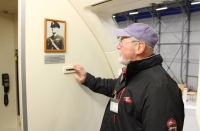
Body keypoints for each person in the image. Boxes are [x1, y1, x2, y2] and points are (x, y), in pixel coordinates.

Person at [73, 23, 184, 131]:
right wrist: (87, 79)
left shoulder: (161, 88)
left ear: (139, 47)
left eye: (122, 42)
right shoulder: (134, 72)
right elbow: (115, 87)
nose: (118, 46)